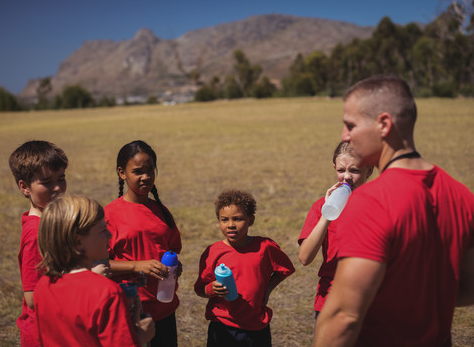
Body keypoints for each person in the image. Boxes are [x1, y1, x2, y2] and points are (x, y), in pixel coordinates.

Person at [313, 75, 474, 347]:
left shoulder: (369, 201)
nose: (344, 136)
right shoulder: (461, 194)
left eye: (350, 125)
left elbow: (344, 316)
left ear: (384, 124)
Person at [33, 194, 155, 346]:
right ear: (78, 242)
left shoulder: (43, 286)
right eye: (103, 231)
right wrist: (140, 337)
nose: (109, 235)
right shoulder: (107, 292)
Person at [105, 140, 182, 347]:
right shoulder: (109, 215)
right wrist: (138, 265)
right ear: (122, 173)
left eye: (150, 170)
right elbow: (98, 265)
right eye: (138, 171)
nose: (146, 177)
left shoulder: (162, 212)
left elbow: (172, 250)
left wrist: (176, 266)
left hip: (164, 308)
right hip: (129, 309)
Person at [194, 189, 295, 347]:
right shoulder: (212, 252)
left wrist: (267, 290)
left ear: (251, 220)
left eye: (237, 219)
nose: (231, 225)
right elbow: (200, 289)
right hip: (222, 326)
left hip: (256, 326)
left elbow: (285, 270)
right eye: (224, 220)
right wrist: (212, 289)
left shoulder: (265, 247)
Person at [298, 141, 372, 320]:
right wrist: (327, 214)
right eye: (341, 170)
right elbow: (305, 258)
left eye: (354, 170)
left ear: (369, 171)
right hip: (329, 301)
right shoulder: (320, 208)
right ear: (334, 169)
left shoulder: (376, 206)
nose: (346, 177)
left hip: (368, 301)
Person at [8, 140, 68, 347]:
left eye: (61, 178)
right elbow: (33, 297)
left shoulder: (49, 222)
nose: (58, 187)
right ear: (24, 187)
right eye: (46, 182)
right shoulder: (36, 233)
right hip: (43, 335)